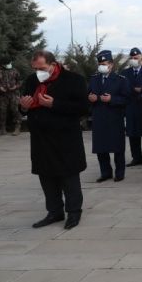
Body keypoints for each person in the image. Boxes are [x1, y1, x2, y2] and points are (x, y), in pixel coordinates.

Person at [19, 50, 88, 229]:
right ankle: (54, 211)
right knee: (46, 176)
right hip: (41, 139)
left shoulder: (74, 80)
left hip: (65, 139)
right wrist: (24, 108)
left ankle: (73, 212)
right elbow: (25, 104)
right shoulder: (32, 80)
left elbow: (83, 108)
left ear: (52, 64)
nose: (38, 72)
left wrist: (54, 104)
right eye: (35, 68)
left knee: (69, 177)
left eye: (41, 68)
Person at [87, 50, 129, 182]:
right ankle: (105, 172)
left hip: (114, 118)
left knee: (117, 148)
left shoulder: (120, 80)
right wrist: (90, 98)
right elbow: (87, 94)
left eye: (104, 63)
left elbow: (127, 99)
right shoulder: (94, 79)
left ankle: (119, 172)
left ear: (111, 65)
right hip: (99, 118)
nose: (102, 66)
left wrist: (112, 99)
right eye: (100, 63)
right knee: (101, 148)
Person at [123, 47, 142, 167]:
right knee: (133, 134)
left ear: (141, 58)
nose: (134, 60)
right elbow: (123, 89)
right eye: (132, 58)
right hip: (131, 107)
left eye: (136, 58)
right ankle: (136, 157)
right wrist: (134, 90)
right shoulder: (125, 73)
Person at [0, 57, 22, 135]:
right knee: (2, 111)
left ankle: (17, 127)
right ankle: (2, 129)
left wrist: (15, 87)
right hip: (2, 95)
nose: (8, 65)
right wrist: (0, 87)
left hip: (14, 94)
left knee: (15, 110)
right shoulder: (0, 71)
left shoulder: (15, 71)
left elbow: (19, 82)